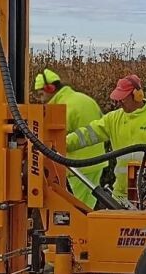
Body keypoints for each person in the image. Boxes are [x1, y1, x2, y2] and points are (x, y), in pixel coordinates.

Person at [65, 74, 146, 199]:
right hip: (121, 194)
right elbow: (88, 134)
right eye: (118, 99)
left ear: (138, 95)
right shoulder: (113, 119)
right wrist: (63, 142)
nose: (119, 102)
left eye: (123, 98)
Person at [33, 68, 108, 205]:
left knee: (75, 210)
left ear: (50, 88)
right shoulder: (84, 99)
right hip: (96, 163)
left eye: (41, 94)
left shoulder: (62, 107)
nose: (41, 99)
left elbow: (54, 139)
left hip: (77, 167)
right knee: (87, 207)